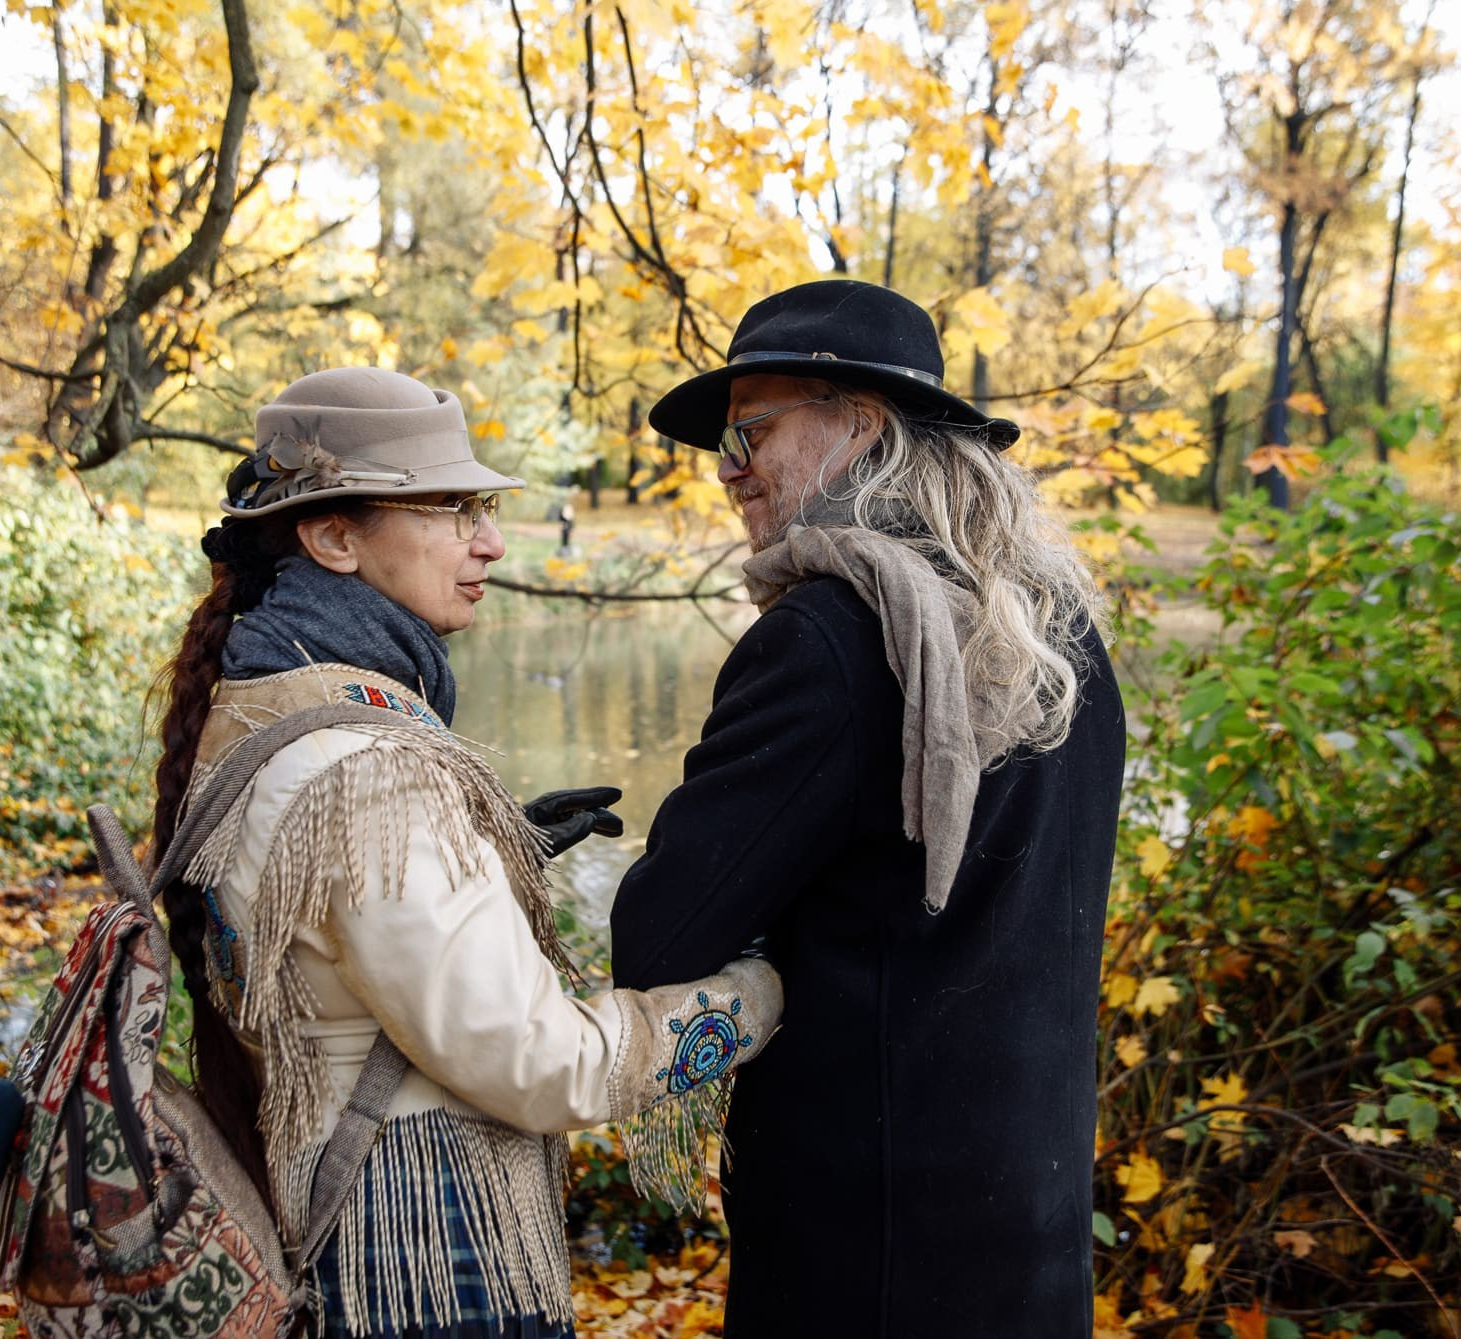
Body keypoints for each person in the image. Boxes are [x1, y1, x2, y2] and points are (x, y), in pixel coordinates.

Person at [155, 367, 782, 1339]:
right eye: (449, 508)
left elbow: (327, 945)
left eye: (481, 507)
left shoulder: (251, 711)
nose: (488, 541)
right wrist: (755, 997)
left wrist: (492, 851)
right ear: (330, 536)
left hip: (321, 1232)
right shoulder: (372, 775)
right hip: (427, 1267)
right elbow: (538, 1061)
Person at [608, 280, 1127, 1336]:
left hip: (868, 1249)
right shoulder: (1060, 632)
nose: (726, 466)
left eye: (751, 429)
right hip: (1025, 1224)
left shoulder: (832, 638)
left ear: (862, 425)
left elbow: (655, 938)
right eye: (722, 438)